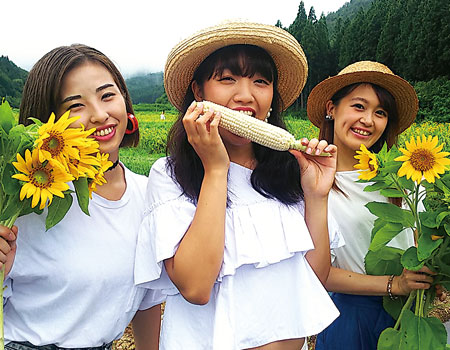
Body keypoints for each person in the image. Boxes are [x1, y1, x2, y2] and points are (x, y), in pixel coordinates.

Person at [134, 21, 341, 350]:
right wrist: (216, 170)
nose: (246, 96)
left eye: (261, 81)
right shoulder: (170, 175)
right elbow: (196, 287)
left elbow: (312, 280)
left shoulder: (291, 172)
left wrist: (316, 197)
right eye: (227, 79)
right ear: (199, 92)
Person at [0, 44, 163, 349]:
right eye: (76, 105)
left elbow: (147, 299)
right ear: (48, 123)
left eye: (107, 96)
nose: (100, 115)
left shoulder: (151, 193)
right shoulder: (26, 202)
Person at [307, 61, 436, 350]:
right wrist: (395, 284)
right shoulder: (312, 183)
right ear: (331, 108)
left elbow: (421, 245)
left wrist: (431, 275)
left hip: (409, 312)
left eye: (380, 112)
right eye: (358, 106)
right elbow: (320, 272)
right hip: (351, 316)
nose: (368, 120)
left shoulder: (404, 177)